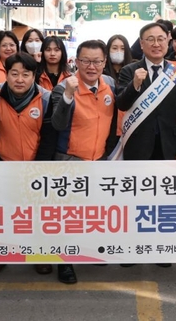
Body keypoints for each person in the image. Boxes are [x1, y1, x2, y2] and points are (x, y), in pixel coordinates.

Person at [0, 51, 56, 278]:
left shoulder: (46, 98)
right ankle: (0, 256)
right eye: (14, 73)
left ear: (34, 76)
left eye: (25, 74)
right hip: (3, 165)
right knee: (4, 214)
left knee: (38, 214)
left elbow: (49, 137)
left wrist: (38, 168)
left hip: (35, 166)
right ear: (6, 75)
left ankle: (40, 255)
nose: (19, 79)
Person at [50, 40, 118, 284]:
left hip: (99, 159)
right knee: (67, 215)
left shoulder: (109, 85)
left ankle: (89, 250)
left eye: (97, 61)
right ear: (76, 62)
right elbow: (57, 124)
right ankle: (64, 262)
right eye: (86, 61)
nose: (92, 66)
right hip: (70, 160)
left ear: (104, 62)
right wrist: (68, 95)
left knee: (92, 212)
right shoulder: (63, 87)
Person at [115, 22, 176, 161]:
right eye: (150, 39)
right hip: (138, 144)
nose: (156, 44)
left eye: (160, 39)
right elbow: (121, 104)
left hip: (168, 144)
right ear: (141, 43)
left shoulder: (175, 73)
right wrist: (134, 85)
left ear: (167, 41)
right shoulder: (129, 71)